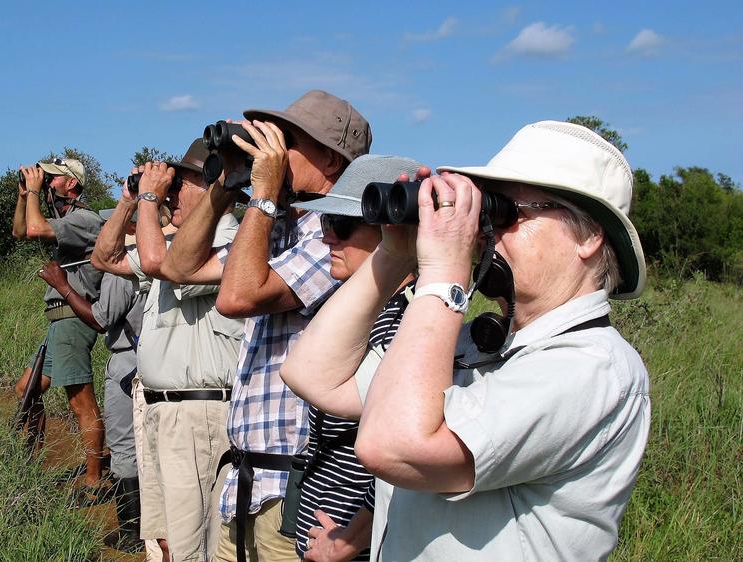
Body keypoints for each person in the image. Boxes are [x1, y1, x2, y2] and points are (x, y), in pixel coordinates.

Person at [285, 120, 650, 560]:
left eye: (507, 214)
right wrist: (393, 255)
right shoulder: (481, 345)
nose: (484, 232)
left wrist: (442, 274)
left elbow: (393, 447)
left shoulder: (591, 367)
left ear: (589, 236)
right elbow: (313, 375)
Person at [161, 90, 372, 562]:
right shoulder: (275, 229)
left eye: (286, 140)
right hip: (244, 483)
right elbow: (179, 267)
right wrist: (224, 187)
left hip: (294, 491)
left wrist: (260, 196)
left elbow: (238, 298)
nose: (270, 150)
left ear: (333, 159)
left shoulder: (340, 238)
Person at [91, 139, 244, 562]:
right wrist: (128, 202)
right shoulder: (176, 243)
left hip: (200, 414)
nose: (171, 195)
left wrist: (148, 199)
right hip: (164, 410)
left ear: (215, 185)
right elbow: (106, 258)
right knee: (166, 544)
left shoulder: (228, 239)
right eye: (169, 186)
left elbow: (166, 266)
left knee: (196, 547)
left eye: (180, 185)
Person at [281, 155, 423, 562]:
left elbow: (403, 448)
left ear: (391, 229)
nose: (328, 239)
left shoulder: (410, 320)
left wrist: (351, 540)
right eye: (326, 225)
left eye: (341, 226)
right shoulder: (366, 312)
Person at [37, 239, 146, 551]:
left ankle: (131, 535)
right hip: (151, 356)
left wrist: (63, 286)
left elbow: (100, 319)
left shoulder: (121, 271)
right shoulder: (159, 259)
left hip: (129, 360)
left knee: (124, 446)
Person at [11, 157, 106, 488]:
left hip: (72, 319)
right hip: (59, 322)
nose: (49, 183)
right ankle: (33, 456)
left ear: (72, 184)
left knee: (81, 403)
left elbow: (35, 228)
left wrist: (35, 192)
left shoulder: (84, 219)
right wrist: (25, 196)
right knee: (27, 389)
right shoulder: (68, 220)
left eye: (54, 180)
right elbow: (21, 230)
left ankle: (94, 480)